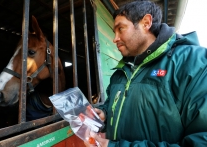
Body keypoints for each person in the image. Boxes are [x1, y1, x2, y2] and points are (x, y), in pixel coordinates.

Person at [84, 0, 207, 146]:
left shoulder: (192, 63)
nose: (115, 38)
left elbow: (201, 140)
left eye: (121, 29)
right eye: (114, 32)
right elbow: (115, 104)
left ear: (146, 23)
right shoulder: (121, 72)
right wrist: (104, 113)